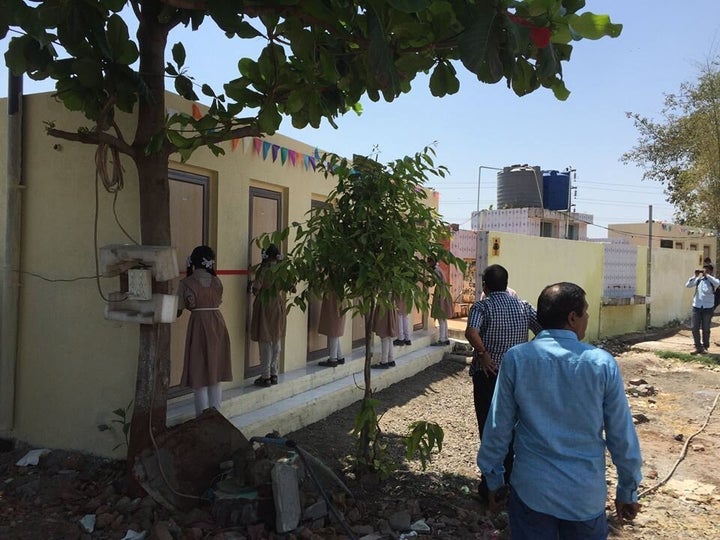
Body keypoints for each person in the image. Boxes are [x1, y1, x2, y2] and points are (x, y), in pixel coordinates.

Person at [477, 282, 643, 539]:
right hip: (583, 497)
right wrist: (627, 490)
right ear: (573, 317)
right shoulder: (601, 364)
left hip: (532, 492)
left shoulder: (517, 359)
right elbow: (621, 435)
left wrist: (494, 481)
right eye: (585, 312)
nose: (587, 318)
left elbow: (498, 426)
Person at [464, 264, 541, 501]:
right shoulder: (523, 306)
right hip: (516, 375)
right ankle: (509, 480)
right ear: (506, 284)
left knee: (489, 426)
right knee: (513, 425)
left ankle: (491, 484)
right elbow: (544, 331)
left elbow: (471, 332)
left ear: (485, 286)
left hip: (489, 374)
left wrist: (484, 353)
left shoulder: (482, 305)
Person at [176, 245, 232, 417]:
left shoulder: (186, 283)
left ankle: (201, 418)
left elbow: (178, 309)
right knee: (215, 373)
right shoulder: (217, 282)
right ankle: (217, 416)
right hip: (218, 325)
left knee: (199, 374)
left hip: (198, 326)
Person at [250, 243, 293, 387]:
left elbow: (256, 289)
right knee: (276, 338)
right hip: (278, 304)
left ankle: (265, 376)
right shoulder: (282, 270)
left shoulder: (263, 269)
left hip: (265, 304)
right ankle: (274, 373)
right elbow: (291, 287)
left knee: (265, 340)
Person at [685, 263, 720, 353]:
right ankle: (698, 347)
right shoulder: (699, 280)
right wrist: (695, 275)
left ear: (711, 271)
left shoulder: (713, 280)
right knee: (694, 327)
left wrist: (707, 275)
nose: (704, 272)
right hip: (696, 306)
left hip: (708, 307)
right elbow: (688, 285)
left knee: (706, 328)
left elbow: (717, 283)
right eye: (704, 270)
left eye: (707, 270)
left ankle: (705, 347)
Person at [427, 256, 453, 346]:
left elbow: (431, 284)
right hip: (444, 292)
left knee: (440, 317)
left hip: (440, 293)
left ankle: (442, 339)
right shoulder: (439, 269)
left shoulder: (435, 271)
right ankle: (445, 338)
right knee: (443, 318)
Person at [317, 290, 347, 367]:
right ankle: (339, 356)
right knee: (334, 328)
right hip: (338, 296)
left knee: (333, 327)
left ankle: (333, 358)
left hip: (333, 296)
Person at [372, 300, 398, 369]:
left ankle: (384, 362)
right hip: (390, 306)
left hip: (385, 306)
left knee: (385, 336)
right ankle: (391, 359)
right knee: (389, 337)